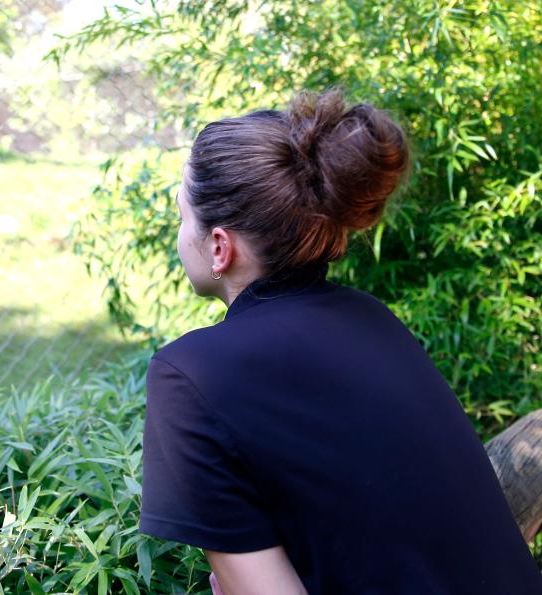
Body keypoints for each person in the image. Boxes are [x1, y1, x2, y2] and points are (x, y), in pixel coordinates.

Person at [138, 88, 542, 594]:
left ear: (219, 247)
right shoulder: (373, 320)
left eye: (183, 217)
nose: (181, 234)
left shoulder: (190, 373)